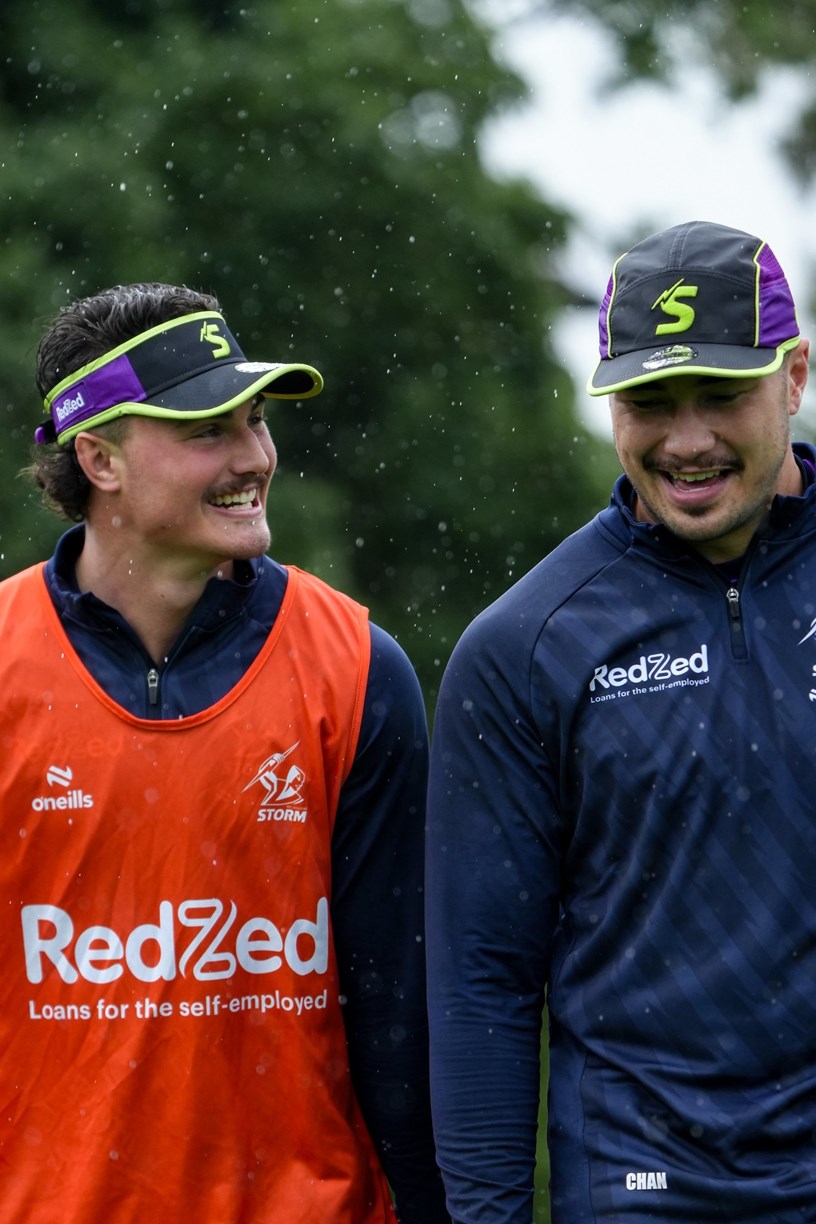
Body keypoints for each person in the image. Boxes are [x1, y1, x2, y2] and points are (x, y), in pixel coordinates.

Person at [0, 283, 449, 1223]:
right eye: (208, 430)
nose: (255, 457)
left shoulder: (357, 666)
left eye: (256, 421)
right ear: (100, 458)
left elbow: (399, 1015)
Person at [426, 219, 816, 1222]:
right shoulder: (525, 647)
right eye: (648, 403)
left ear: (795, 376)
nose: (686, 442)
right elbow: (481, 983)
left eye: (720, 396)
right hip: (643, 1189)